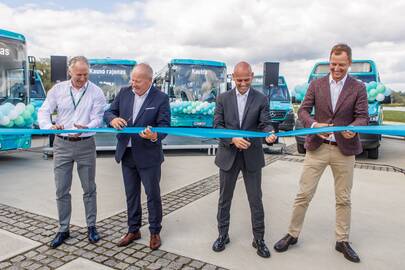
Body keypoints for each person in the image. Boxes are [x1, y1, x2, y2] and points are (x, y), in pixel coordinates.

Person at [273, 44, 369, 263]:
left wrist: (353, 127)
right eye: (333, 64)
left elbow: (362, 116)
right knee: (303, 194)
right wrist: (314, 125)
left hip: (344, 151)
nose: (336, 68)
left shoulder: (358, 88)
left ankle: (342, 240)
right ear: (329, 61)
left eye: (341, 65)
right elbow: (303, 111)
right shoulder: (316, 85)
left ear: (349, 64)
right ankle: (292, 234)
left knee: (343, 198)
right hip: (317, 148)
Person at [38, 56, 107, 248]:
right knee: (62, 189)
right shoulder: (58, 90)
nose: (83, 78)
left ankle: (91, 227)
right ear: (70, 72)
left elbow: (98, 118)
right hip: (62, 144)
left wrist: (86, 127)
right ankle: (63, 229)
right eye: (79, 75)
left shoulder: (96, 92)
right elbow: (43, 111)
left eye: (86, 74)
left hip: (86, 144)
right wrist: (48, 126)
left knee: (89, 188)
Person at [212, 61, 277, 258]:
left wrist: (270, 134)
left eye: (246, 79)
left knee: (255, 199)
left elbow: (265, 124)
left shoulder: (261, 98)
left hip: (252, 156)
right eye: (239, 80)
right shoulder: (222, 98)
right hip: (228, 156)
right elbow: (217, 127)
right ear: (233, 77)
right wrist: (232, 139)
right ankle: (223, 235)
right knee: (224, 199)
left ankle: (259, 239)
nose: (242, 83)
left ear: (252, 76)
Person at [104, 63, 170, 250]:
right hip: (127, 153)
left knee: (152, 195)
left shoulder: (161, 98)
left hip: (149, 155)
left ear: (150, 81)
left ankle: (155, 231)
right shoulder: (124, 93)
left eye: (138, 81)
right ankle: (134, 229)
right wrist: (112, 119)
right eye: (132, 80)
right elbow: (109, 112)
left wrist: (155, 135)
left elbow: (164, 125)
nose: (133, 84)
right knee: (131, 195)